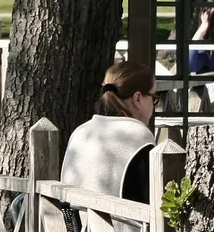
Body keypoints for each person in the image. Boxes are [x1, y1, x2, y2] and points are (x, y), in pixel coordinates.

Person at [60, 61, 157, 204]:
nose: (154, 105)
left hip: (78, 225)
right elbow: (151, 201)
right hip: (117, 226)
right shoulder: (138, 135)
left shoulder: (81, 131)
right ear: (138, 99)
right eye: (154, 98)